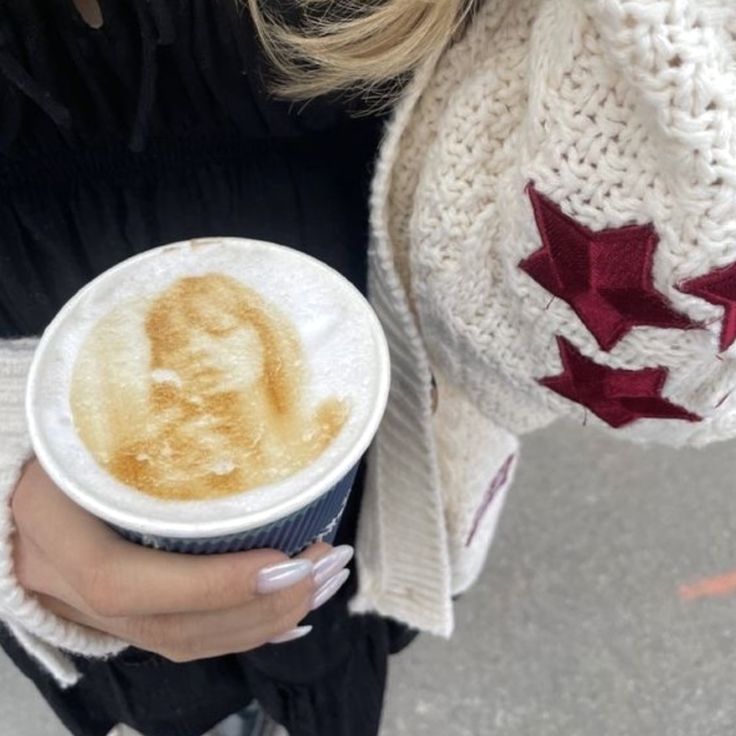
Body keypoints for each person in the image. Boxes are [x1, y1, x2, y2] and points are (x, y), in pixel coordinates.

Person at [3, 0, 736, 735]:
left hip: (389, 407)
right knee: (170, 691)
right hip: (53, 475)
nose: (199, 352)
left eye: (220, 330)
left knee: (338, 649)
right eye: (182, 341)